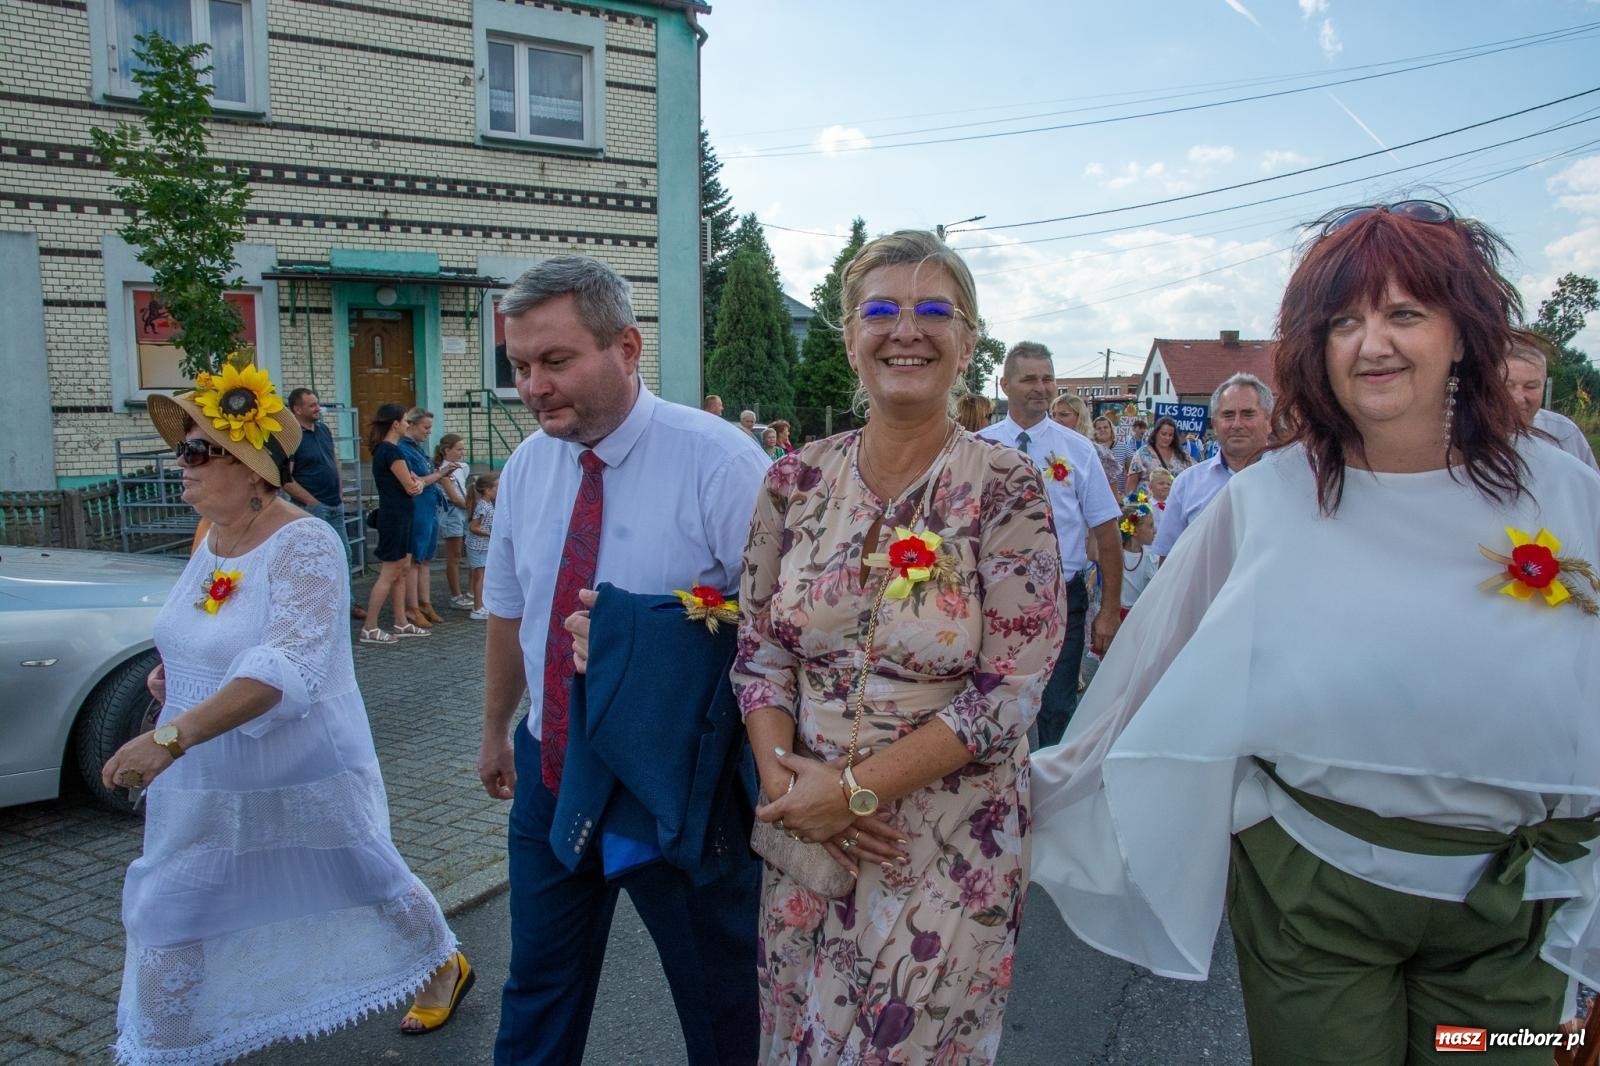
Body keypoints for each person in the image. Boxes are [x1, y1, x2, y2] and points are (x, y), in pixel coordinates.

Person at [1029, 200, 1600, 1064]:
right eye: (1345, 321)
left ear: (1464, 332)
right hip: (1314, 904)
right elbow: (1148, 665)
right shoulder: (1265, 500)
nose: (1373, 343)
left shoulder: (1564, 497)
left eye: (1406, 313)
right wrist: (1020, 793)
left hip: (1510, 916)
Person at [734, 230, 1067, 1063]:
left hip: (947, 838)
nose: (905, 330)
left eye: (933, 312)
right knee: (798, 1039)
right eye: (880, 310)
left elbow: (1012, 691)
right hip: (808, 833)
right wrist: (791, 791)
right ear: (849, 337)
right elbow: (758, 655)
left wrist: (854, 791)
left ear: (967, 343)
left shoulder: (1006, 487)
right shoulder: (793, 479)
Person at [102, 362, 472, 1064]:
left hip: (296, 763)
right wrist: (175, 674)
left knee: (365, 873)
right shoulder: (209, 535)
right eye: (180, 449)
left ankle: (439, 962)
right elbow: (210, 621)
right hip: (209, 767)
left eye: (194, 450)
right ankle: (161, 1047)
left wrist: (170, 736)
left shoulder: (306, 543)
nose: (179, 465)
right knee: (171, 902)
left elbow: (286, 668)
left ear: (249, 468)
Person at [476, 255, 769, 1065]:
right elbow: (512, 613)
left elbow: (782, 629)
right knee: (536, 987)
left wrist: (653, 632)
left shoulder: (722, 462)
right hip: (552, 766)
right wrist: (497, 729)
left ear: (628, 348)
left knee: (721, 1002)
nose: (534, 386)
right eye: (521, 366)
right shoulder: (529, 467)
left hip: (672, 781)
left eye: (556, 361)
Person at [978, 341, 1123, 746]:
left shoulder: (1078, 450)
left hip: (1062, 597)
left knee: (1058, 707)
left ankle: (1055, 802)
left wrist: (1109, 610)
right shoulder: (978, 447)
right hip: (993, 597)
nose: (1041, 388)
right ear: (1005, 384)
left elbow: (1107, 532)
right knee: (993, 703)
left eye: (1048, 378)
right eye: (1029, 379)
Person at [1150, 374, 1273, 560]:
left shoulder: (1291, 481)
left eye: (1248, 414)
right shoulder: (1187, 484)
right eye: (1228, 415)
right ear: (1215, 423)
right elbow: (1169, 563)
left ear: (1268, 422)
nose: (1237, 424)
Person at [281, 387, 362, 620]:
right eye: (312, 405)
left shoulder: (323, 430)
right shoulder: (292, 437)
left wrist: (339, 490)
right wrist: (311, 502)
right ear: (297, 409)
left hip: (334, 503)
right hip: (311, 507)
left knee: (343, 554)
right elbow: (285, 477)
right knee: (314, 560)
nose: (318, 408)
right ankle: (316, 607)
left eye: (318, 403)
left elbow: (333, 460)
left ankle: (347, 604)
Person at [361, 403, 428, 644]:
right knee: (389, 573)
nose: (408, 425)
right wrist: (418, 484)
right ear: (395, 424)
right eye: (406, 421)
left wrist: (416, 482)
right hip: (395, 517)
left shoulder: (390, 450)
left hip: (403, 515)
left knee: (402, 569)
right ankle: (370, 627)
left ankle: (401, 622)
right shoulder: (390, 452)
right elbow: (411, 486)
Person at [1506, 330, 1599, 471]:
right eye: (1506, 386)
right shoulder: (1465, 438)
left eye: (1530, 386)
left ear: (1544, 384)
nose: (1518, 398)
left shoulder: (1565, 433)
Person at [398, 408, 457, 629]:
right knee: (415, 558)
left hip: (429, 506)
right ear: (411, 425)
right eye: (425, 427)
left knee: (425, 559)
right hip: (417, 508)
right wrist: (439, 474)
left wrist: (438, 474)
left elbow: (426, 477)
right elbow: (417, 481)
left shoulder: (417, 449)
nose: (428, 433)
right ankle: (412, 606)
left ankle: (425, 602)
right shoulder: (403, 450)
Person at [434, 433, 473, 608]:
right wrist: (473, 508)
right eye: (458, 449)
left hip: (464, 511)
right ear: (446, 450)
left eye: (463, 449)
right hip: (453, 512)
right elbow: (454, 497)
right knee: (454, 555)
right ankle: (456, 595)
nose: (461, 453)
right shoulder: (442, 470)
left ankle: (472, 592)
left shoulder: (462, 467)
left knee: (471, 551)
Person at [1124, 415, 1193, 496]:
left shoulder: (1182, 455)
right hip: (1147, 505)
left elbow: (1193, 477)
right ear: (1156, 433)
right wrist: (1129, 503)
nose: (1167, 438)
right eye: (1163, 434)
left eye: (1170, 435)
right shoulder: (1142, 453)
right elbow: (1132, 483)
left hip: (1173, 504)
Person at [1116, 495, 1157, 617]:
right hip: (1116, 614)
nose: (1154, 530)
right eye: (1150, 525)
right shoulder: (1117, 555)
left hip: (1138, 616)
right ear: (1135, 530)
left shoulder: (1150, 558)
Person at [465, 471, 497, 620]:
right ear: (488, 490)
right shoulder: (483, 506)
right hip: (478, 547)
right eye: (497, 487)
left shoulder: (488, 504)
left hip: (484, 546)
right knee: (480, 577)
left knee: (482, 577)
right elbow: (474, 527)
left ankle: (481, 605)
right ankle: (477, 608)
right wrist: (490, 534)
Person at [1089, 414, 1123, 493]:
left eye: (1105, 427)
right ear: (1094, 431)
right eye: (1099, 428)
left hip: (1118, 496)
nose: (1102, 430)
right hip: (1096, 492)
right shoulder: (1090, 448)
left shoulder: (1123, 447)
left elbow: (1130, 472)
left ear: (1111, 429)